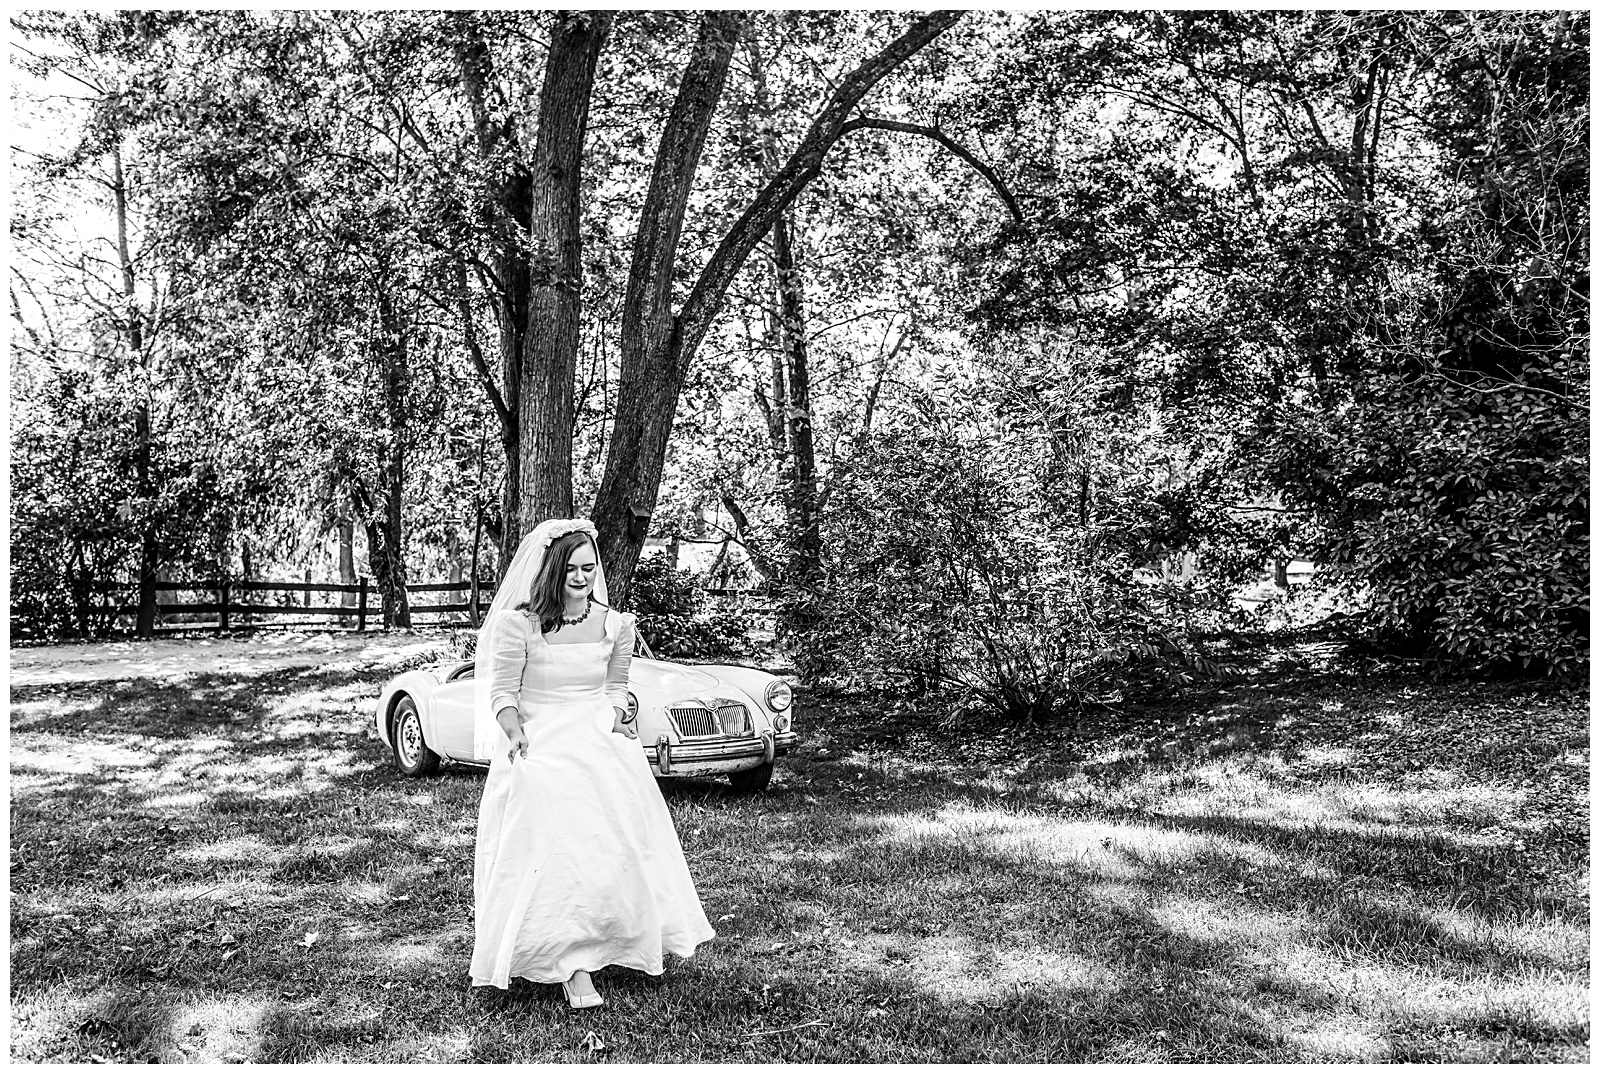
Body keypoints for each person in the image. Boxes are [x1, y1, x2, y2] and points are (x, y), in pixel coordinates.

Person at [468, 518, 714, 1008]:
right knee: (554, 842)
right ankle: (568, 960)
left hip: (598, 736)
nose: (582, 578)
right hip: (540, 739)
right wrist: (515, 733)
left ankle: (610, 939)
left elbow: (617, 688)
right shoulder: (519, 624)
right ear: (551, 572)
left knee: (611, 842)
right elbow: (502, 693)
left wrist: (622, 715)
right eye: (571, 570)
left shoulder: (616, 624)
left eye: (589, 567)